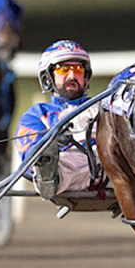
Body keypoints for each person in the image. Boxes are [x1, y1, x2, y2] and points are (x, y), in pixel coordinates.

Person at [15, 40, 100, 199]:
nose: (72, 75)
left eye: (78, 69)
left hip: (113, 169)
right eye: (63, 69)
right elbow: (29, 158)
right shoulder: (37, 114)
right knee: (60, 160)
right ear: (48, 78)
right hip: (71, 171)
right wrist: (52, 141)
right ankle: (50, 177)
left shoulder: (104, 106)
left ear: (86, 75)